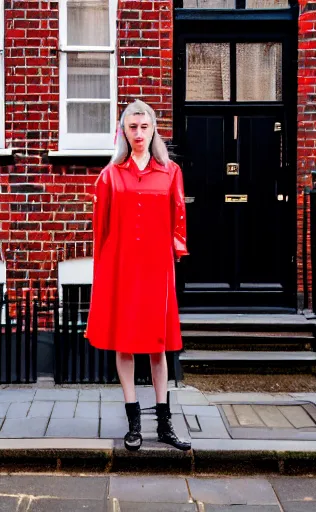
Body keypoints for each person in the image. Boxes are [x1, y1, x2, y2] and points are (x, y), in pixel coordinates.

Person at [85, 100, 190, 451]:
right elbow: (101, 231)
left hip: (157, 270)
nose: (139, 134)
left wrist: (173, 259)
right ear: (123, 131)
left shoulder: (170, 171)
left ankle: (164, 423)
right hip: (122, 268)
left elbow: (178, 222)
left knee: (158, 347)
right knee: (126, 344)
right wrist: (102, 274)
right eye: (133, 127)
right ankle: (133, 424)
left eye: (145, 127)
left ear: (153, 129)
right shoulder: (110, 176)